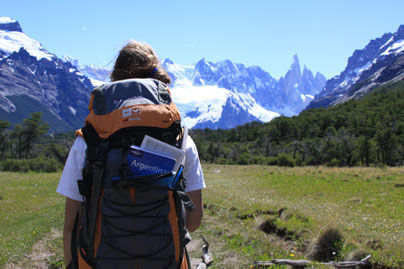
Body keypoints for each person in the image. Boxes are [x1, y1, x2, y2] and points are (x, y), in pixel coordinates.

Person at [57, 40, 205, 268]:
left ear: (115, 80)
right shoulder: (180, 140)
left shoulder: (88, 140)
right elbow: (193, 222)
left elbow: (70, 227)